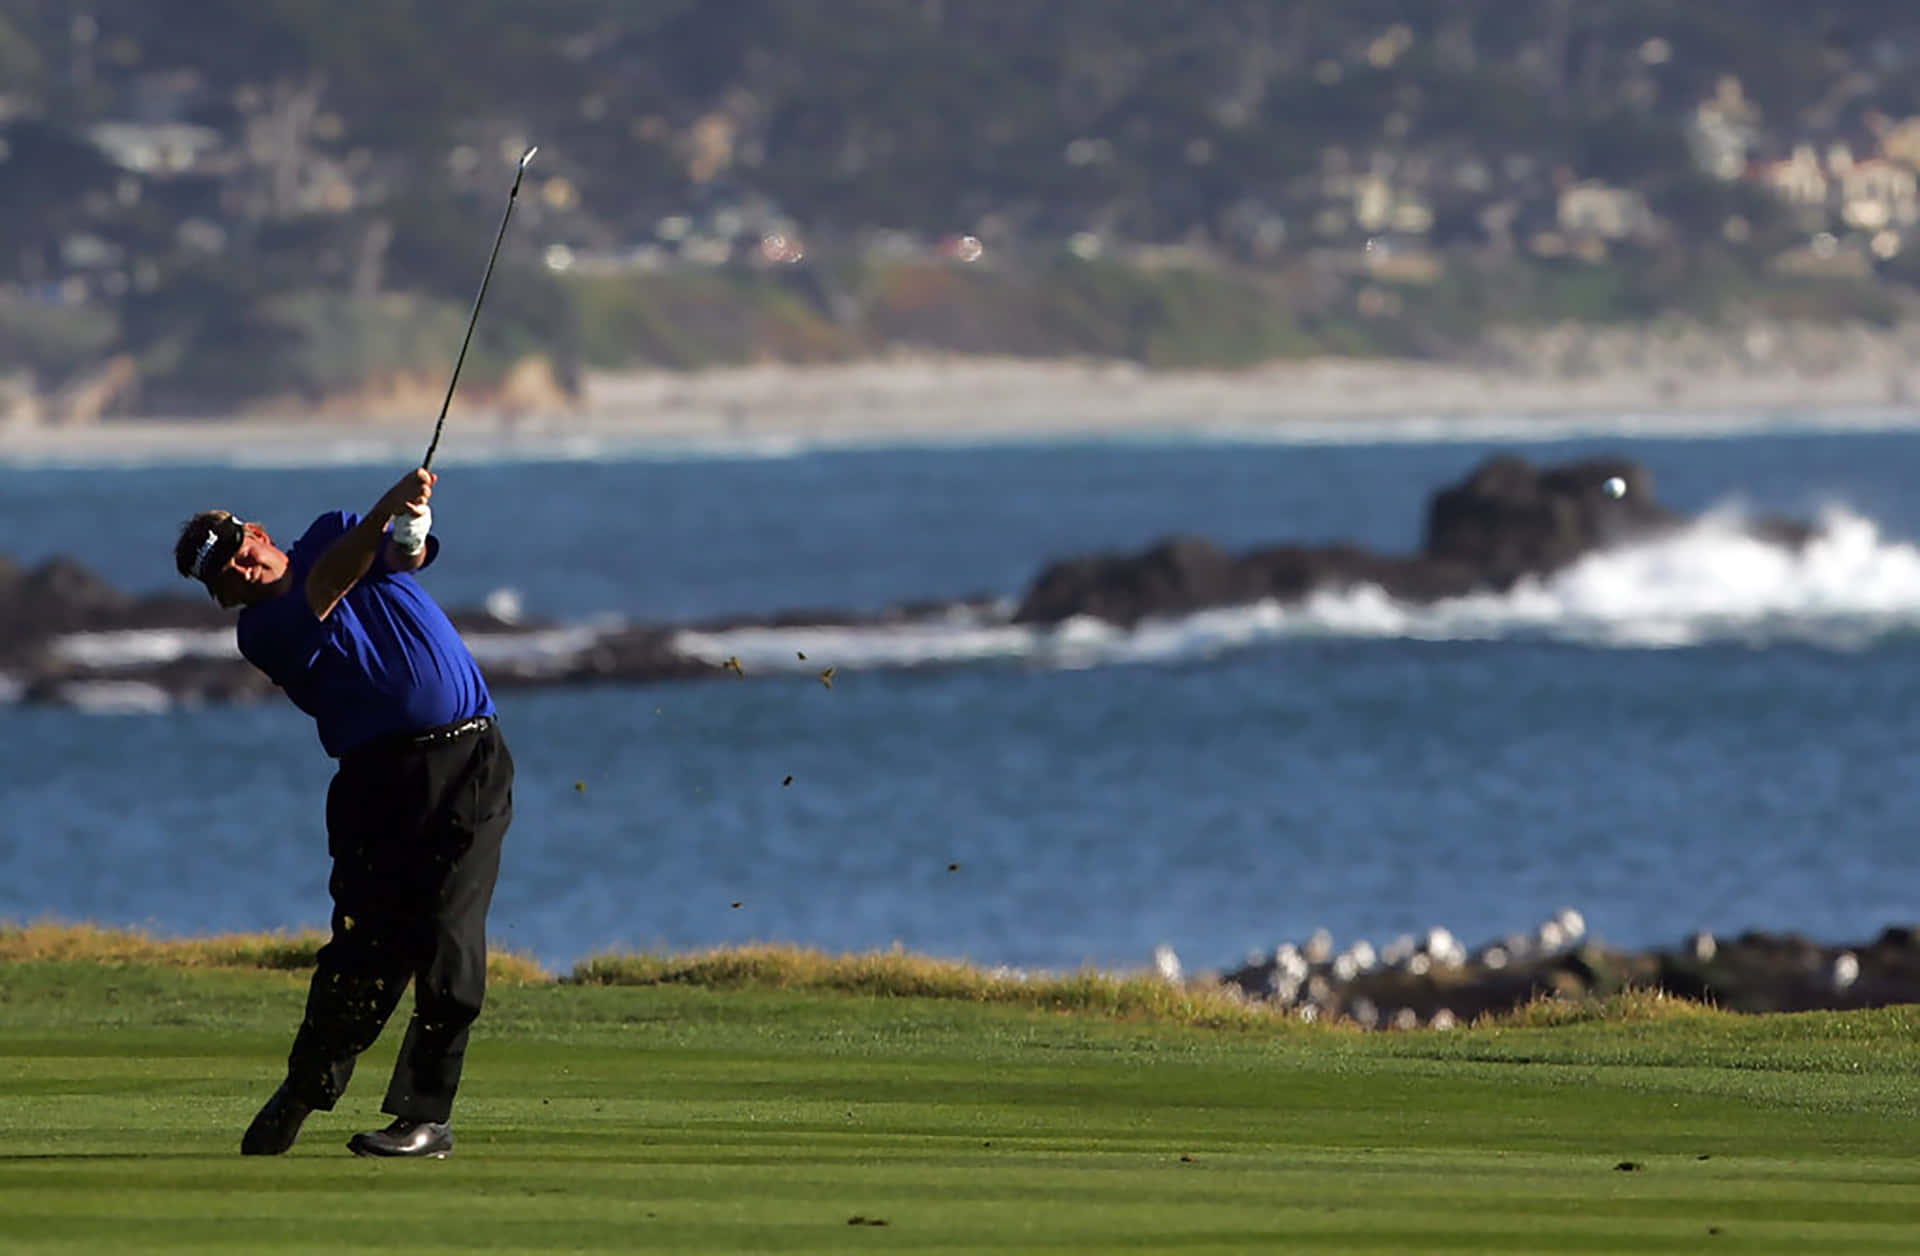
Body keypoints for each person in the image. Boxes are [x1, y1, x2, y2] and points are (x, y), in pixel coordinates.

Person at [173, 466, 513, 1159]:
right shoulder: (262, 631)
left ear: (258, 534)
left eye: (241, 549)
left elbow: (401, 557)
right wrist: (386, 510)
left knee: (449, 935)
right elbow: (331, 585)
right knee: (364, 951)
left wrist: (409, 522)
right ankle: (304, 1089)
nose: (242, 570)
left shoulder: (333, 528)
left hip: (468, 759)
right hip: (374, 783)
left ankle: (426, 1116)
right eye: (225, 577)